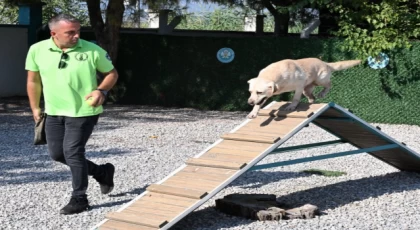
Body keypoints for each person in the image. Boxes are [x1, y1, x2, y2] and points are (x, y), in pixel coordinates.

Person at [25, 13, 119, 215]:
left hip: (84, 111)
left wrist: (101, 90)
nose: (76, 35)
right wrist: (35, 107)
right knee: (57, 154)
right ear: (54, 33)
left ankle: (80, 198)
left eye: (78, 31)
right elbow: (33, 81)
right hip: (53, 111)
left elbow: (112, 74)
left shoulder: (92, 50)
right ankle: (102, 172)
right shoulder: (37, 50)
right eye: (70, 32)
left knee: (73, 152)